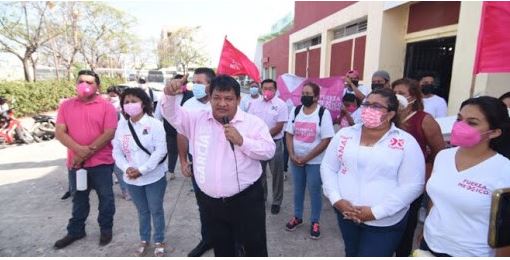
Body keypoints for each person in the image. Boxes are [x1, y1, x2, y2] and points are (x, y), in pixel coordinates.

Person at [162, 74, 275, 257]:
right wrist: (169, 94)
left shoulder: (252, 123)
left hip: (246, 200)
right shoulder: (197, 118)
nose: (222, 103)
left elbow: (269, 150)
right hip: (211, 202)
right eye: (217, 98)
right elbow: (172, 115)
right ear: (210, 97)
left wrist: (242, 141)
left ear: (238, 99)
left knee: (254, 247)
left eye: (228, 99)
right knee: (222, 249)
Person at [321, 88, 425, 256]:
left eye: (376, 106)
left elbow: (413, 185)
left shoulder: (405, 142)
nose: (368, 109)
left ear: (391, 114)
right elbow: (329, 167)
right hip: (346, 214)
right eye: (366, 104)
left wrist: (376, 212)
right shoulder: (345, 135)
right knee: (352, 253)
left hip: (384, 223)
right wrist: (336, 199)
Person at [420, 96, 510, 256]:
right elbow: (436, 199)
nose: (460, 126)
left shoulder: (504, 169)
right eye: (459, 119)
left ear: (495, 132)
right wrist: (429, 231)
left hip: (471, 253)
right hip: (430, 244)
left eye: (472, 122)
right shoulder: (443, 157)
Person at [54, 70, 118, 249]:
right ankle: (76, 231)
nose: (85, 85)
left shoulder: (107, 107)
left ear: (97, 86)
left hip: (102, 164)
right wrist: (78, 151)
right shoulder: (66, 106)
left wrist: (84, 153)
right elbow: (59, 132)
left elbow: (109, 132)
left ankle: (106, 229)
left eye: (90, 82)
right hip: (76, 165)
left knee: (106, 199)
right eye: (81, 81)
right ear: (76, 84)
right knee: (78, 199)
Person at [391, 78, 446, 256]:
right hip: (388, 179)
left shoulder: (424, 120)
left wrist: (426, 175)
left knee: (406, 224)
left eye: (401, 93)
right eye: (394, 93)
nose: (396, 97)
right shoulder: (389, 117)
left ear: (413, 97)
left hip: (412, 181)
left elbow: (439, 151)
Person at [112, 87, 168, 256]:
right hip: (132, 179)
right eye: (126, 102)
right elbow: (117, 151)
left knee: (156, 209)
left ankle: (159, 239)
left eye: (134, 101)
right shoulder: (122, 126)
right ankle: (144, 239)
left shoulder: (155, 124)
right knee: (142, 211)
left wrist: (142, 170)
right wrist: (126, 168)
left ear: (143, 103)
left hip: (153, 177)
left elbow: (161, 151)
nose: (130, 105)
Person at [172, 68, 216, 257]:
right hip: (198, 161)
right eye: (194, 82)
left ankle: (234, 241)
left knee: (227, 203)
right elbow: (181, 134)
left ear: (211, 85)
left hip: (220, 161)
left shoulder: (220, 103)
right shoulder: (188, 105)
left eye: (201, 82)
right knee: (203, 203)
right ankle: (207, 239)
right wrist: (183, 161)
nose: (196, 86)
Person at [284, 82, 335, 239]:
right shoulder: (296, 110)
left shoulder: (323, 113)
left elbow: (326, 139)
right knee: (298, 189)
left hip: (315, 161)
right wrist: (292, 155)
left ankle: (315, 221)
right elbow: (289, 134)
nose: (304, 96)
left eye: (308, 94)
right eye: (303, 93)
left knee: (314, 191)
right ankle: (298, 217)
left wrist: (307, 158)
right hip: (296, 160)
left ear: (316, 97)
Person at [247, 79, 289, 215]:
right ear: (261, 89)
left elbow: (279, 126)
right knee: (260, 173)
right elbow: (250, 122)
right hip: (258, 144)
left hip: (275, 143)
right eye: (265, 88)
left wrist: (263, 136)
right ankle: (262, 198)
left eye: (271, 88)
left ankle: (277, 201)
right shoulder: (254, 104)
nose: (268, 91)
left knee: (277, 174)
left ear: (275, 90)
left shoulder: (281, 105)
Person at [154, 74, 194, 181]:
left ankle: (193, 171)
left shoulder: (192, 96)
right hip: (171, 131)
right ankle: (171, 171)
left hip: (188, 132)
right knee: (172, 151)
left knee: (191, 152)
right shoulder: (165, 96)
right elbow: (158, 115)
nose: (178, 86)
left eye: (181, 84)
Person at [105, 86, 130, 201]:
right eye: (110, 94)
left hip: (118, 144)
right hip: (105, 144)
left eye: (114, 95)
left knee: (119, 170)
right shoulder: (104, 107)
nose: (112, 97)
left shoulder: (124, 110)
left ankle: (125, 191)